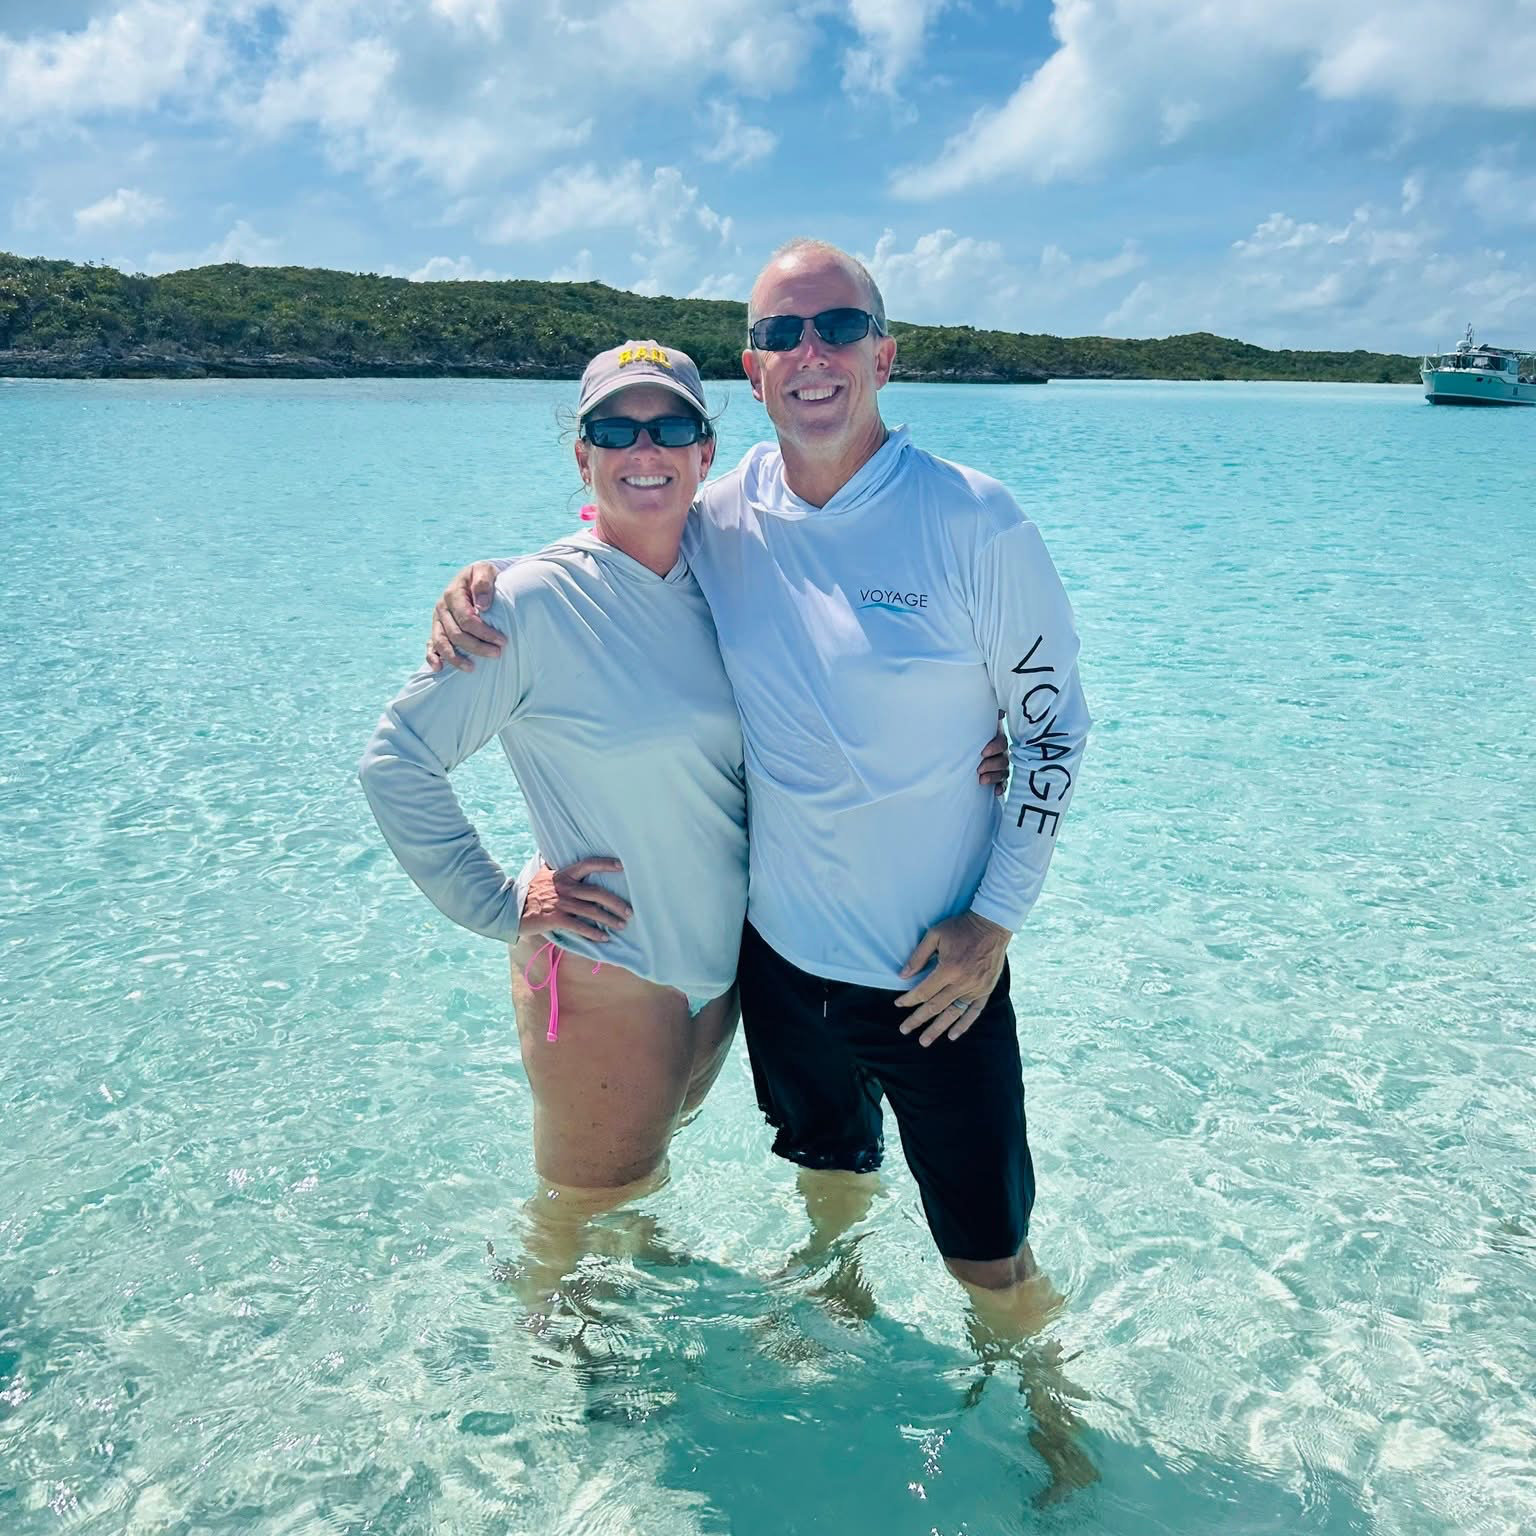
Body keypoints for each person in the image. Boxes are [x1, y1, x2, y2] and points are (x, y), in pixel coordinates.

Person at [430, 240, 1092, 1343]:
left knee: (991, 1259)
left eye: (837, 329)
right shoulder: (721, 517)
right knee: (828, 1174)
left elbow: (1054, 729)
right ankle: (839, 1290)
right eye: (784, 334)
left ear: (884, 356)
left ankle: (1053, 1422)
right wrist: (479, 589)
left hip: (937, 972)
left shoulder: (975, 519)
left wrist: (996, 921)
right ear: (753, 369)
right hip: (779, 966)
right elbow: (614, 538)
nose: (812, 353)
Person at [359, 341, 746, 1229]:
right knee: (576, 1227)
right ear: (584, 456)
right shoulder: (528, 602)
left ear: (705, 452)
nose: (644, 450)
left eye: (671, 426)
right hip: (607, 970)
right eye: (616, 428)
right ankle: (527, 1369)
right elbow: (397, 758)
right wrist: (498, 903)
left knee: (635, 1207)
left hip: (717, 978)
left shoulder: (731, 580)